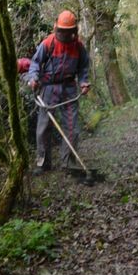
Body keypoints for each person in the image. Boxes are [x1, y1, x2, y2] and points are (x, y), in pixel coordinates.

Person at [28, 10, 90, 174]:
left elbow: (84, 66)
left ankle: (68, 163)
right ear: (57, 29)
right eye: (62, 30)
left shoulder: (78, 47)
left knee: (72, 127)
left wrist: (84, 82)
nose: (65, 34)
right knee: (43, 128)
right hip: (49, 88)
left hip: (69, 89)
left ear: (73, 31)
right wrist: (33, 78)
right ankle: (43, 163)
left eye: (68, 31)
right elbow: (35, 63)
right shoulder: (49, 43)